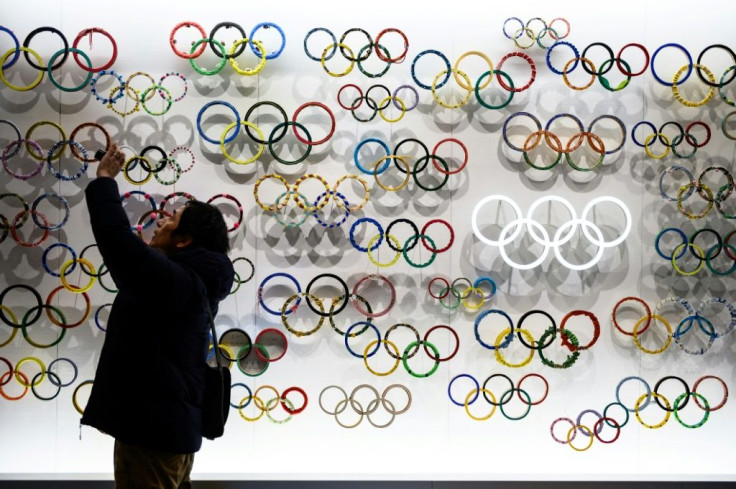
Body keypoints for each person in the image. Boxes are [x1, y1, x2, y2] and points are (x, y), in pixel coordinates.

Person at [82, 142, 235, 488]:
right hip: (168, 429)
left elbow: (119, 245)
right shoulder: (191, 282)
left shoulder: (178, 283)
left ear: (184, 241)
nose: (161, 221)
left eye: (172, 220)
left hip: (153, 434)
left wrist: (105, 179)